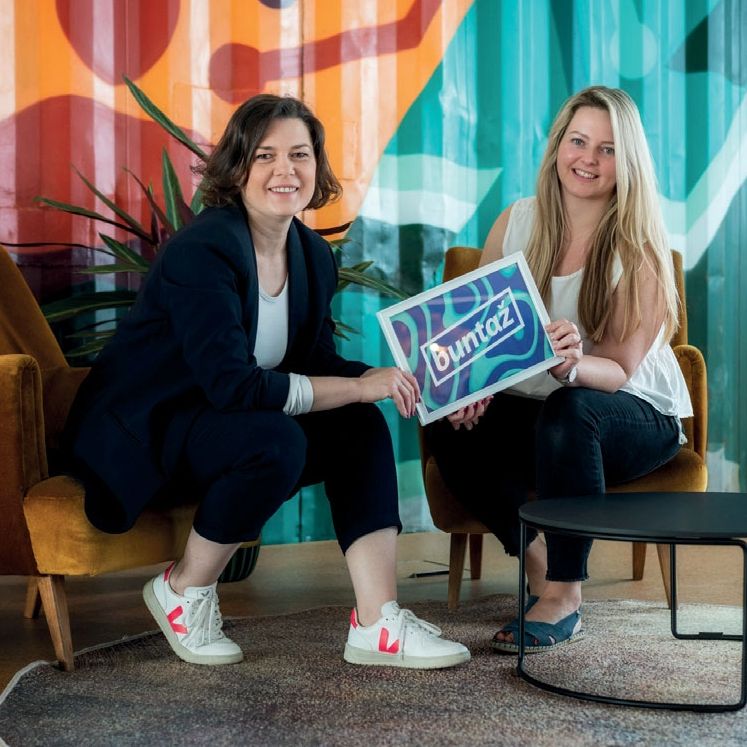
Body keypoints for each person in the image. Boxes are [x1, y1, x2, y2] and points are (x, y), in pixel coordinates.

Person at [64, 94, 469, 670]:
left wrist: (397, 381)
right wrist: (359, 386)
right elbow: (232, 386)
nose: (287, 170)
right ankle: (183, 590)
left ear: (317, 167)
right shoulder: (203, 251)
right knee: (276, 440)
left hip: (219, 425)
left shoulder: (312, 255)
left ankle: (377, 623)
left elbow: (314, 359)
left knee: (357, 424)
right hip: (149, 431)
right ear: (238, 168)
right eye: (266, 156)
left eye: (300, 155)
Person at [425, 86, 692, 653]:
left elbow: (618, 370)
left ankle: (567, 593)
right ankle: (539, 563)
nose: (588, 159)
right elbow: (479, 334)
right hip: (540, 409)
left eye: (607, 149)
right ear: (557, 146)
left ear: (628, 162)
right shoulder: (517, 221)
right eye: (578, 141)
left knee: (570, 409)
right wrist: (470, 388)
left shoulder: (638, 247)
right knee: (443, 416)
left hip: (632, 415)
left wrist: (571, 365)